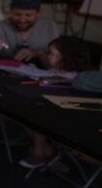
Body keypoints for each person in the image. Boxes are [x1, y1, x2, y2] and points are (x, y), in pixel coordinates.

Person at [20, 36, 94, 169]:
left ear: (66, 58)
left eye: (52, 54)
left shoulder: (75, 78)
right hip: (49, 112)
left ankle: (39, 154)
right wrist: (34, 71)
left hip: (64, 118)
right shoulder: (55, 71)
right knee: (25, 112)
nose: (48, 56)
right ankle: (47, 151)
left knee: (36, 115)